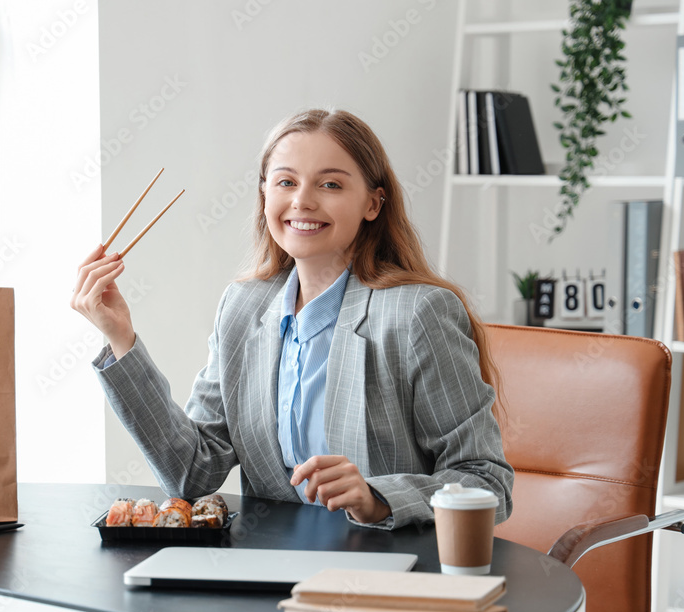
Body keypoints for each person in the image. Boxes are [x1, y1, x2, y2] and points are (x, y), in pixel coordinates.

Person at [71, 109, 513, 530]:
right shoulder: (242, 307)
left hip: (387, 569)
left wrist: (377, 498)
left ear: (373, 204)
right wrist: (121, 338)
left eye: (331, 185)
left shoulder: (418, 313)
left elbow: (487, 481)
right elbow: (192, 474)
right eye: (285, 181)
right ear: (266, 194)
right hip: (270, 572)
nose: (302, 201)